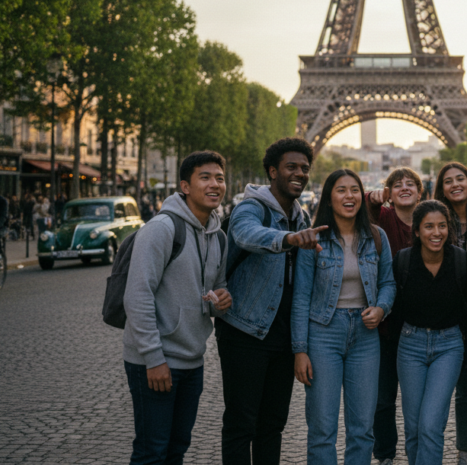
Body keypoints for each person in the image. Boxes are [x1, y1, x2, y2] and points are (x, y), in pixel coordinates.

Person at [217, 137, 323, 465]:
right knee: (241, 423)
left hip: (282, 335)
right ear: (272, 171)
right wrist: (287, 239)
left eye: (305, 168)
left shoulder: (301, 215)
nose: (300, 173)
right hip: (245, 330)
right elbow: (245, 234)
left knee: (272, 425)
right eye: (292, 167)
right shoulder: (253, 207)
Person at [122, 151, 233, 465]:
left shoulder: (219, 237)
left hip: (191, 362)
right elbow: (137, 296)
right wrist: (154, 359)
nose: (215, 184)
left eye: (220, 178)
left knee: (176, 450)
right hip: (155, 362)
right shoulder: (161, 229)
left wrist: (222, 302)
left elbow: (216, 291)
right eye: (205, 177)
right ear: (185, 185)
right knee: (151, 452)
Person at [292, 169, 395, 465]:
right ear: (329, 197)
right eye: (341, 190)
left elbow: (388, 282)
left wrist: (381, 308)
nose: (348, 196)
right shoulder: (314, 240)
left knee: (362, 428)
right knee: (322, 428)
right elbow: (301, 295)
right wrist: (299, 349)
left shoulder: (377, 237)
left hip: (365, 335)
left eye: (354, 190)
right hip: (323, 333)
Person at [395, 200, 467, 465]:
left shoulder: (462, 261)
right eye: (429, 226)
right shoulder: (403, 261)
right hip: (410, 345)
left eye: (442, 226)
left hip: (449, 346)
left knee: (430, 424)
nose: (436, 232)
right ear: (417, 231)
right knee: (413, 428)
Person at [367, 167, 423, 465]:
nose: (404, 188)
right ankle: (385, 453)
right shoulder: (382, 217)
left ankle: (419, 451)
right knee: (383, 398)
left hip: (420, 321)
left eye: (410, 184)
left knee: (418, 401)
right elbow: (355, 210)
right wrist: (373, 199)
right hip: (386, 322)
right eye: (396, 184)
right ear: (388, 191)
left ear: (420, 191)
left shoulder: (429, 219)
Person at [433, 162, 467, 465]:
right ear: (441, 188)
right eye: (448, 181)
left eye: (461, 179)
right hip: (457, 316)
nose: (455, 184)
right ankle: (466, 449)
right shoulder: (437, 220)